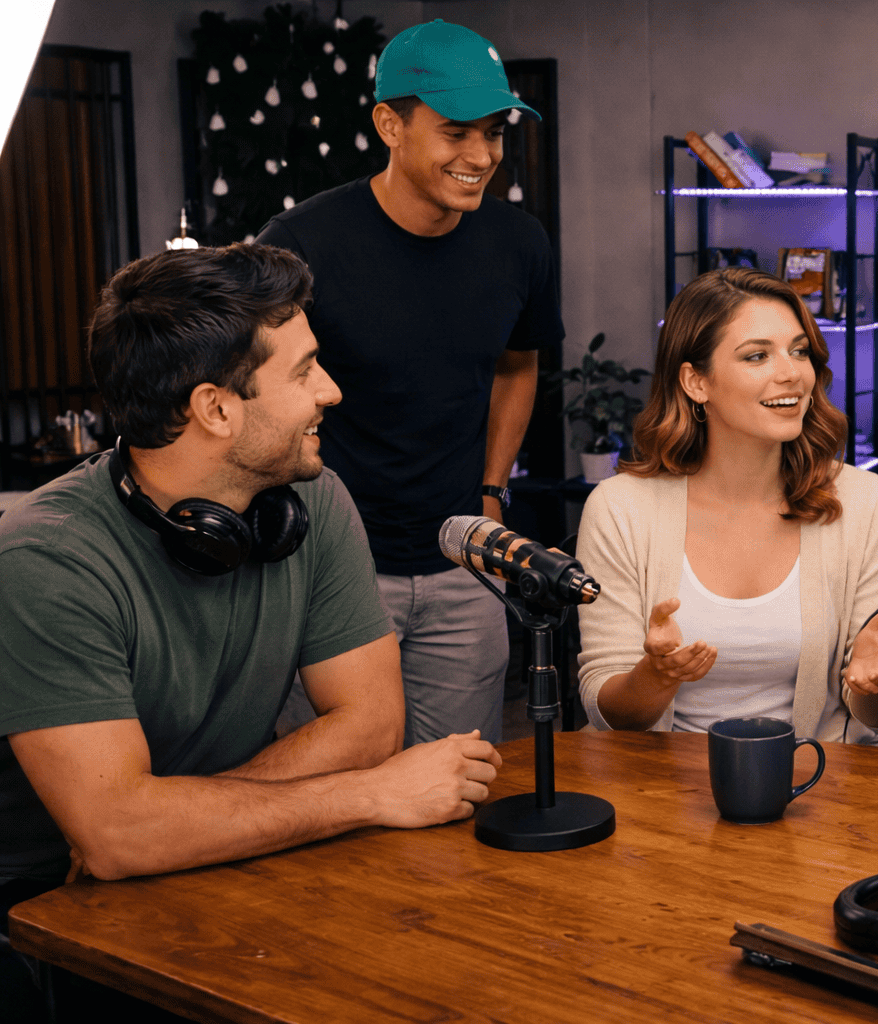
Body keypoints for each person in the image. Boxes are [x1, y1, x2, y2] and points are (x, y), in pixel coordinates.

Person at [0, 245, 502, 1016]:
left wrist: (162, 819)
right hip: (47, 913)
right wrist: (368, 796)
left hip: (223, 860)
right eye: (303, 372)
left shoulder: (314, 497)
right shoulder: (45, 557)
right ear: (215, 408)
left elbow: (369, 724)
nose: (330, 392)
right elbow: (110, 841)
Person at [257, 19, 564, 746]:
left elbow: (520, 360)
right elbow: (263, 388)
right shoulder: (301, 242)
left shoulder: (520, 243)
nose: (483, 155)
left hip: (463, 561)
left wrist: (492, 491)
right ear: (390, 124)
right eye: (457, 132)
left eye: (494, 133)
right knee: (332, 789)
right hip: (330, 565)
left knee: (457, 789)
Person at [576, 268, 878, 744]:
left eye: (799, 351)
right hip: (662, 790)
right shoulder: (619, 509)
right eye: (757, 355)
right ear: (696, 382)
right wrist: (656, 676)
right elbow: (607, 713)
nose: (791, 373)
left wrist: (876, 681)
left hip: (827, 784)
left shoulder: (865, 503)